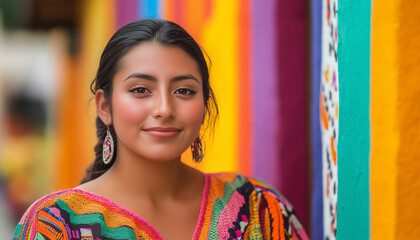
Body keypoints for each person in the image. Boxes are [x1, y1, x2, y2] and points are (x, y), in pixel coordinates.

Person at [13, 19, 308, 240]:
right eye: (141, 89)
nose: (164, 108)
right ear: (105, 107)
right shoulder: (54, 225)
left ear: (204, 104)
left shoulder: (258, 208)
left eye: (184, 91)